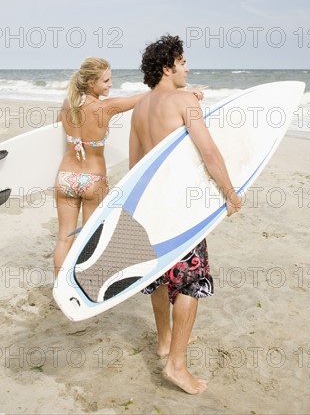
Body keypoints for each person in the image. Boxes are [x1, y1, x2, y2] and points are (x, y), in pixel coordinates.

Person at [129, 35, 242, 395]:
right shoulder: (183, 102)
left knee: (160, 278)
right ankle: (175, 365)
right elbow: (209, 153)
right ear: (167, 67)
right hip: (179, 208)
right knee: (191, 282)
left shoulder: (140, 109)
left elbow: (135, 168)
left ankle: (164, 342)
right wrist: (229, 192)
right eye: (183, 61)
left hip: (149, 208)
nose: (188, 67)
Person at [54, 57, 146, 277]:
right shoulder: (105, 107)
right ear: (90, 82)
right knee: (89, 238)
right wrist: (183, 93)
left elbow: (56, 131)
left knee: (64, 236)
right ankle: (78, 287)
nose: (110, 84)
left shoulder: (68, 104)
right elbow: (140, 98)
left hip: (65, 177)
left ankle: (59, 288)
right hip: (93, 181)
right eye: (105, 80)